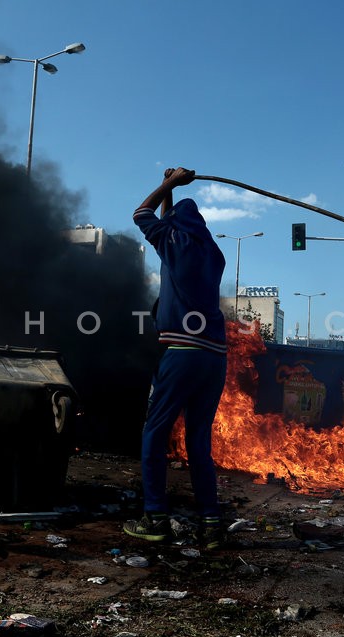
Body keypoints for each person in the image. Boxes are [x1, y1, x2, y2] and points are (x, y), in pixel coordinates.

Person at [123, 167, 228, 550]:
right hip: (215, 358)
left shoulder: (174, 242)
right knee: (199, 441)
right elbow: (168, 221)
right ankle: (211, 525)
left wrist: (169, 184)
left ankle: (155, 517)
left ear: (177, 226)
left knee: (155, 433)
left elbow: (140, 213)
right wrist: (174, 198)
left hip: (182, 352)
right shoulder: (214, 256)